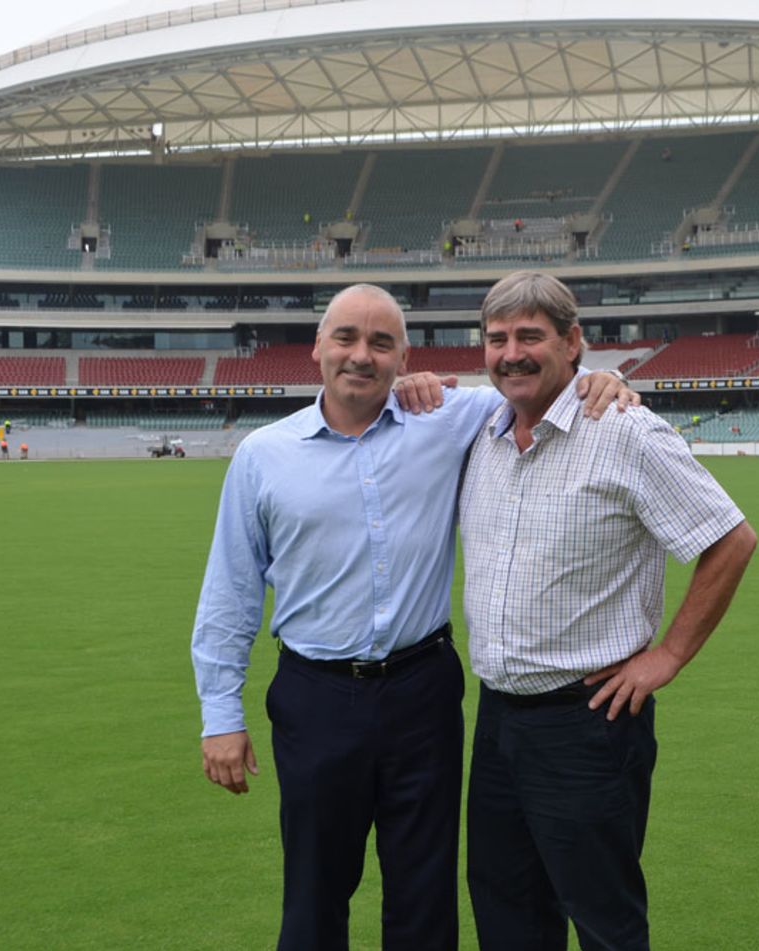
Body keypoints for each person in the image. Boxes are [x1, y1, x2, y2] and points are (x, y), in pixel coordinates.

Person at [191, 283, 635, 951]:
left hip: (422, 692)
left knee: (424, 892)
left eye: (381, 342)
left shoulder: (451, 419)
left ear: (405, 357)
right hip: (317, 696)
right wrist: (221, 713)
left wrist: (609, 376)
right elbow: (231, 591)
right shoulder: (263, 455)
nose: (360, 355)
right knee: (314, 888)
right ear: (317, 347)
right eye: (345, 337)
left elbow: (541, 383)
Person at [458, 271, 758, 951]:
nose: (511, 352)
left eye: (530, 335)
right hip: (498, 720)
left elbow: (731, 539)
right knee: (507, 915)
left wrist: (669, 655)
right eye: (497, 338)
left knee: (604, 921)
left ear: (573, 343)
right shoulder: (481, 429)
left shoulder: (627, 432)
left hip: (588, 722)